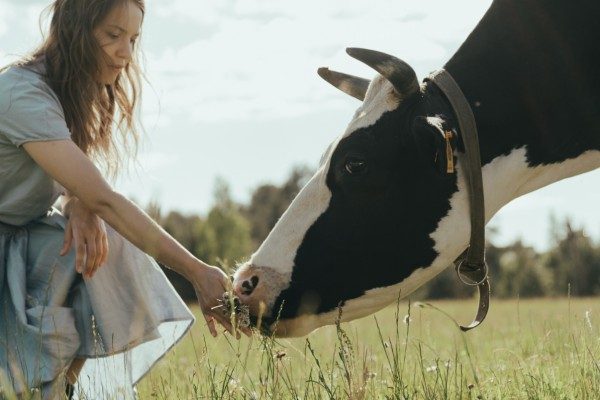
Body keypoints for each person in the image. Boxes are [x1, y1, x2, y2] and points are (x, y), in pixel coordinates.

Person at [0, 0, 247, 398]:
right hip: (8, 249)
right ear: (75, 31)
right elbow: (105, 198)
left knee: (102, 245)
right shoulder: (21, 94)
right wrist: (197, 271)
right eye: (113, 36)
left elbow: (80, 189)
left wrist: (79, 205)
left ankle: (62, 388)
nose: (126, 53)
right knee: (107, 229)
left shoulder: (65, 95)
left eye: (133, 39)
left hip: (19, 244)